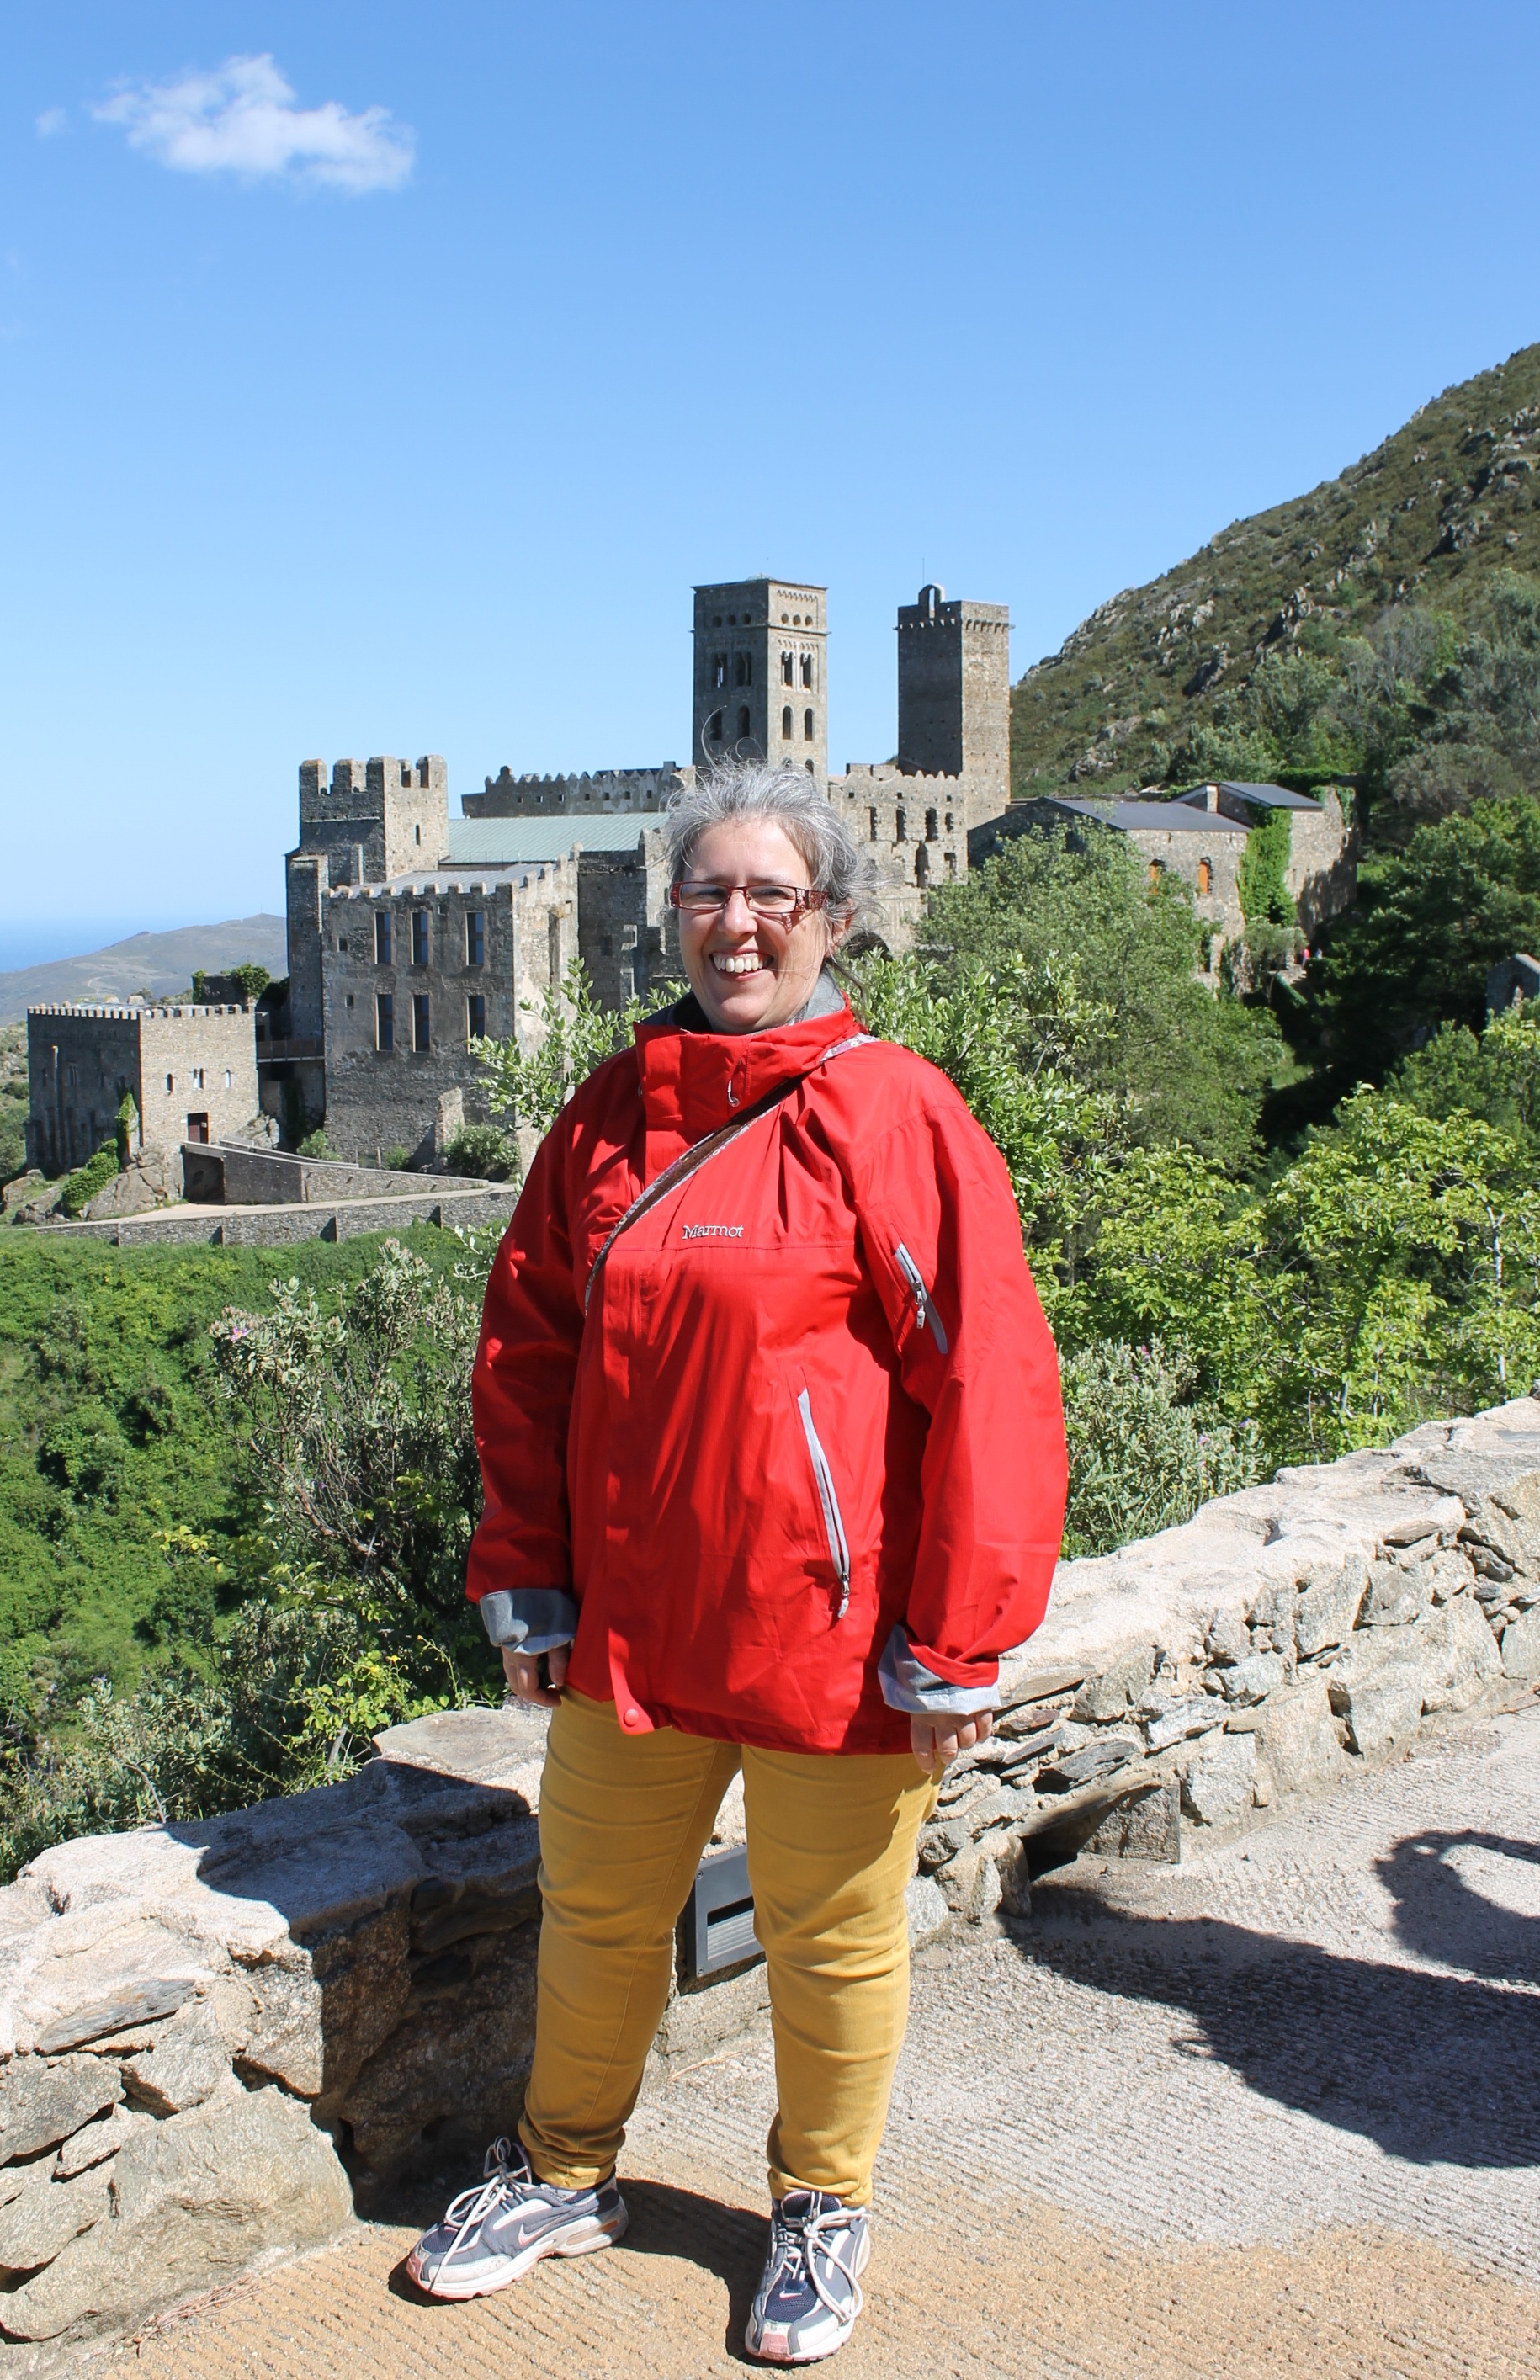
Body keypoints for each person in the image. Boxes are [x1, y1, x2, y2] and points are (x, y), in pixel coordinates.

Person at [406, 762, 1066, 2362]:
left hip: (824, 1634)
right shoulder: (608, 1113)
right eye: (710, 892)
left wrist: (959, 1639)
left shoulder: (892, 1114)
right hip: (631, 1630)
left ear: (833, 918)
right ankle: (563, 2172)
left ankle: (821, 2208)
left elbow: (990, 1378)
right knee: (597, 1914)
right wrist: (528, 1576)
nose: (739, 923)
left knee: (831, 1941)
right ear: (671, 915)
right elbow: (527, 1357)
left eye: (774, 894)